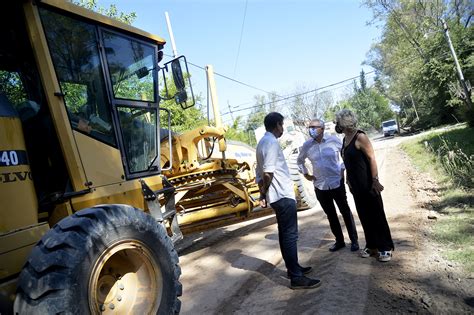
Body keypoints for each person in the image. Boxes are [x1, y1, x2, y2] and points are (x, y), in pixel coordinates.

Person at [256, 112, 321, 289]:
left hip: (277, 197)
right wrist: (265, 192)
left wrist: (263, 194)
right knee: (290, 236)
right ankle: (296, 277)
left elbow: (259, 174)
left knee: (286, 235)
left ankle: (294, 268)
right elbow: (267, 173)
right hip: (282, 196)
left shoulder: (262, 143)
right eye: (282, 125)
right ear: (277, 124)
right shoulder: (270, 143)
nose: (282, 129)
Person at [335, 109, 394, 262]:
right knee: (364, 216)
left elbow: (372, 158)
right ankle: (371, 245)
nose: (337, 125)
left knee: (376, 215)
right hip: (356, 186)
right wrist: (348, 179)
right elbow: (348, 163)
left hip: (368, 184)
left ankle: (385, 247)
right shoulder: (344, 139)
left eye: (338, 122)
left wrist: (375, 180)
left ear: (345, 123)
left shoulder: (360, 136)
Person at [297, 118, 359, 252]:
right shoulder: (307, 145)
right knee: (331, 214)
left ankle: (354, 240)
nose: (311, 130)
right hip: (320, 186)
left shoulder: (333, 140)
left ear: (322, 128)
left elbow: (345, 155)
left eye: (314, 127)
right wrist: (306, 174)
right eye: (310, 127)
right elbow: (300, 161)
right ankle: (339, 241)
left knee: (345, 211)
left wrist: (342, 169)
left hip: (337, 182)